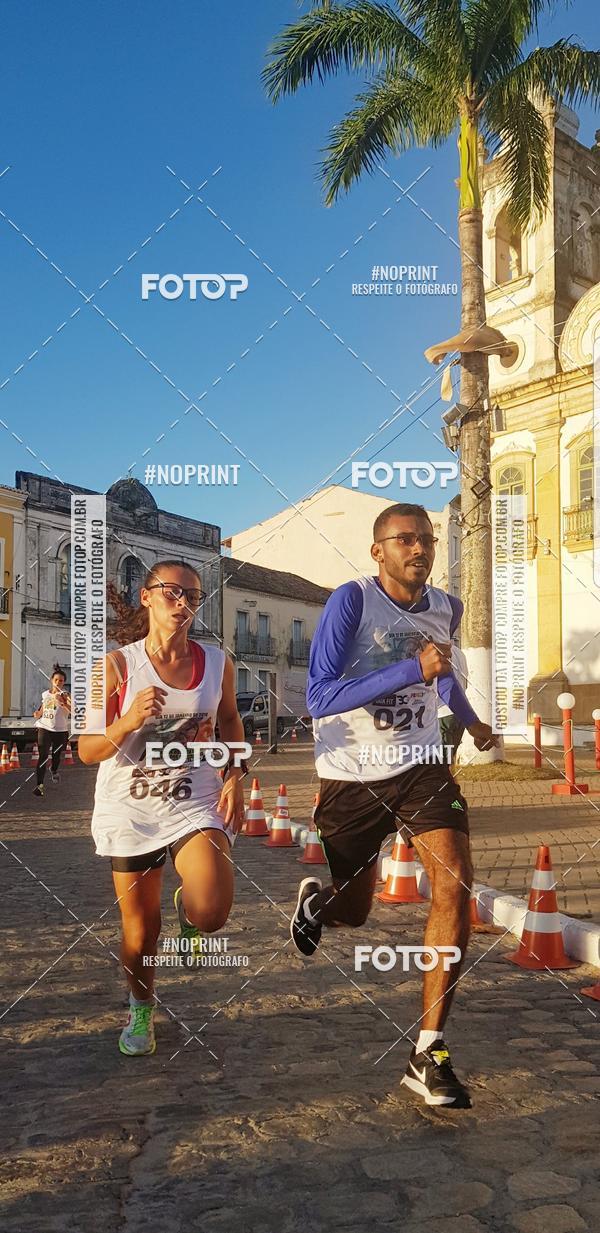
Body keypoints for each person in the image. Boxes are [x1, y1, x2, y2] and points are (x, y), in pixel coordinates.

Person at [290, 503, 499, 1108]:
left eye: (427, 539)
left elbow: (444, 675)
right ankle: (319, 904)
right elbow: (320, 696)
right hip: (350, 778)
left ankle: (428, 1051)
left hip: (422, 767)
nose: (420, 548)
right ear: (378, 551)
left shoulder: (446, 607)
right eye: (405, 539)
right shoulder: (350, 602)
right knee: (355, 912)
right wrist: (412, 665)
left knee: (454, 886)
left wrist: (471, 720)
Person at [78, 560, 246, 1057]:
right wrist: (128, 717)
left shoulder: (218, 663)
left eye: (193, 596)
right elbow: (87, 751)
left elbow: (231, 718)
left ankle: (190, 912)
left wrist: (236, 772)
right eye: (172, 592)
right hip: (129, 810)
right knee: (141, 930)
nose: (184, 603)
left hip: (192, 799)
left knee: (212, 910)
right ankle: (141, 1007)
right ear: (147, 597)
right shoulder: (113, 668)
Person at [33, 664, 72, 796]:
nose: (58, 683)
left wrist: (62, 702)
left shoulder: (66, 695)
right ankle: (40, 786)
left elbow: (74, 711)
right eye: (56, 680)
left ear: (64, 682)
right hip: (44, 727)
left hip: (60, 731)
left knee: (56, 756)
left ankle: (54, 769)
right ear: (52, 680)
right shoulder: (45, 694)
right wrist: (38, 714)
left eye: (61, 681)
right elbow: (43, 708)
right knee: (43, 755)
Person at [438, 641, 469, 765]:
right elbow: (465, 680)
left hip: (441, 714)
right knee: (451, 761)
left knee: (441, 764)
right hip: (459, 714)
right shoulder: (459, 653)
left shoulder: (436, 654)